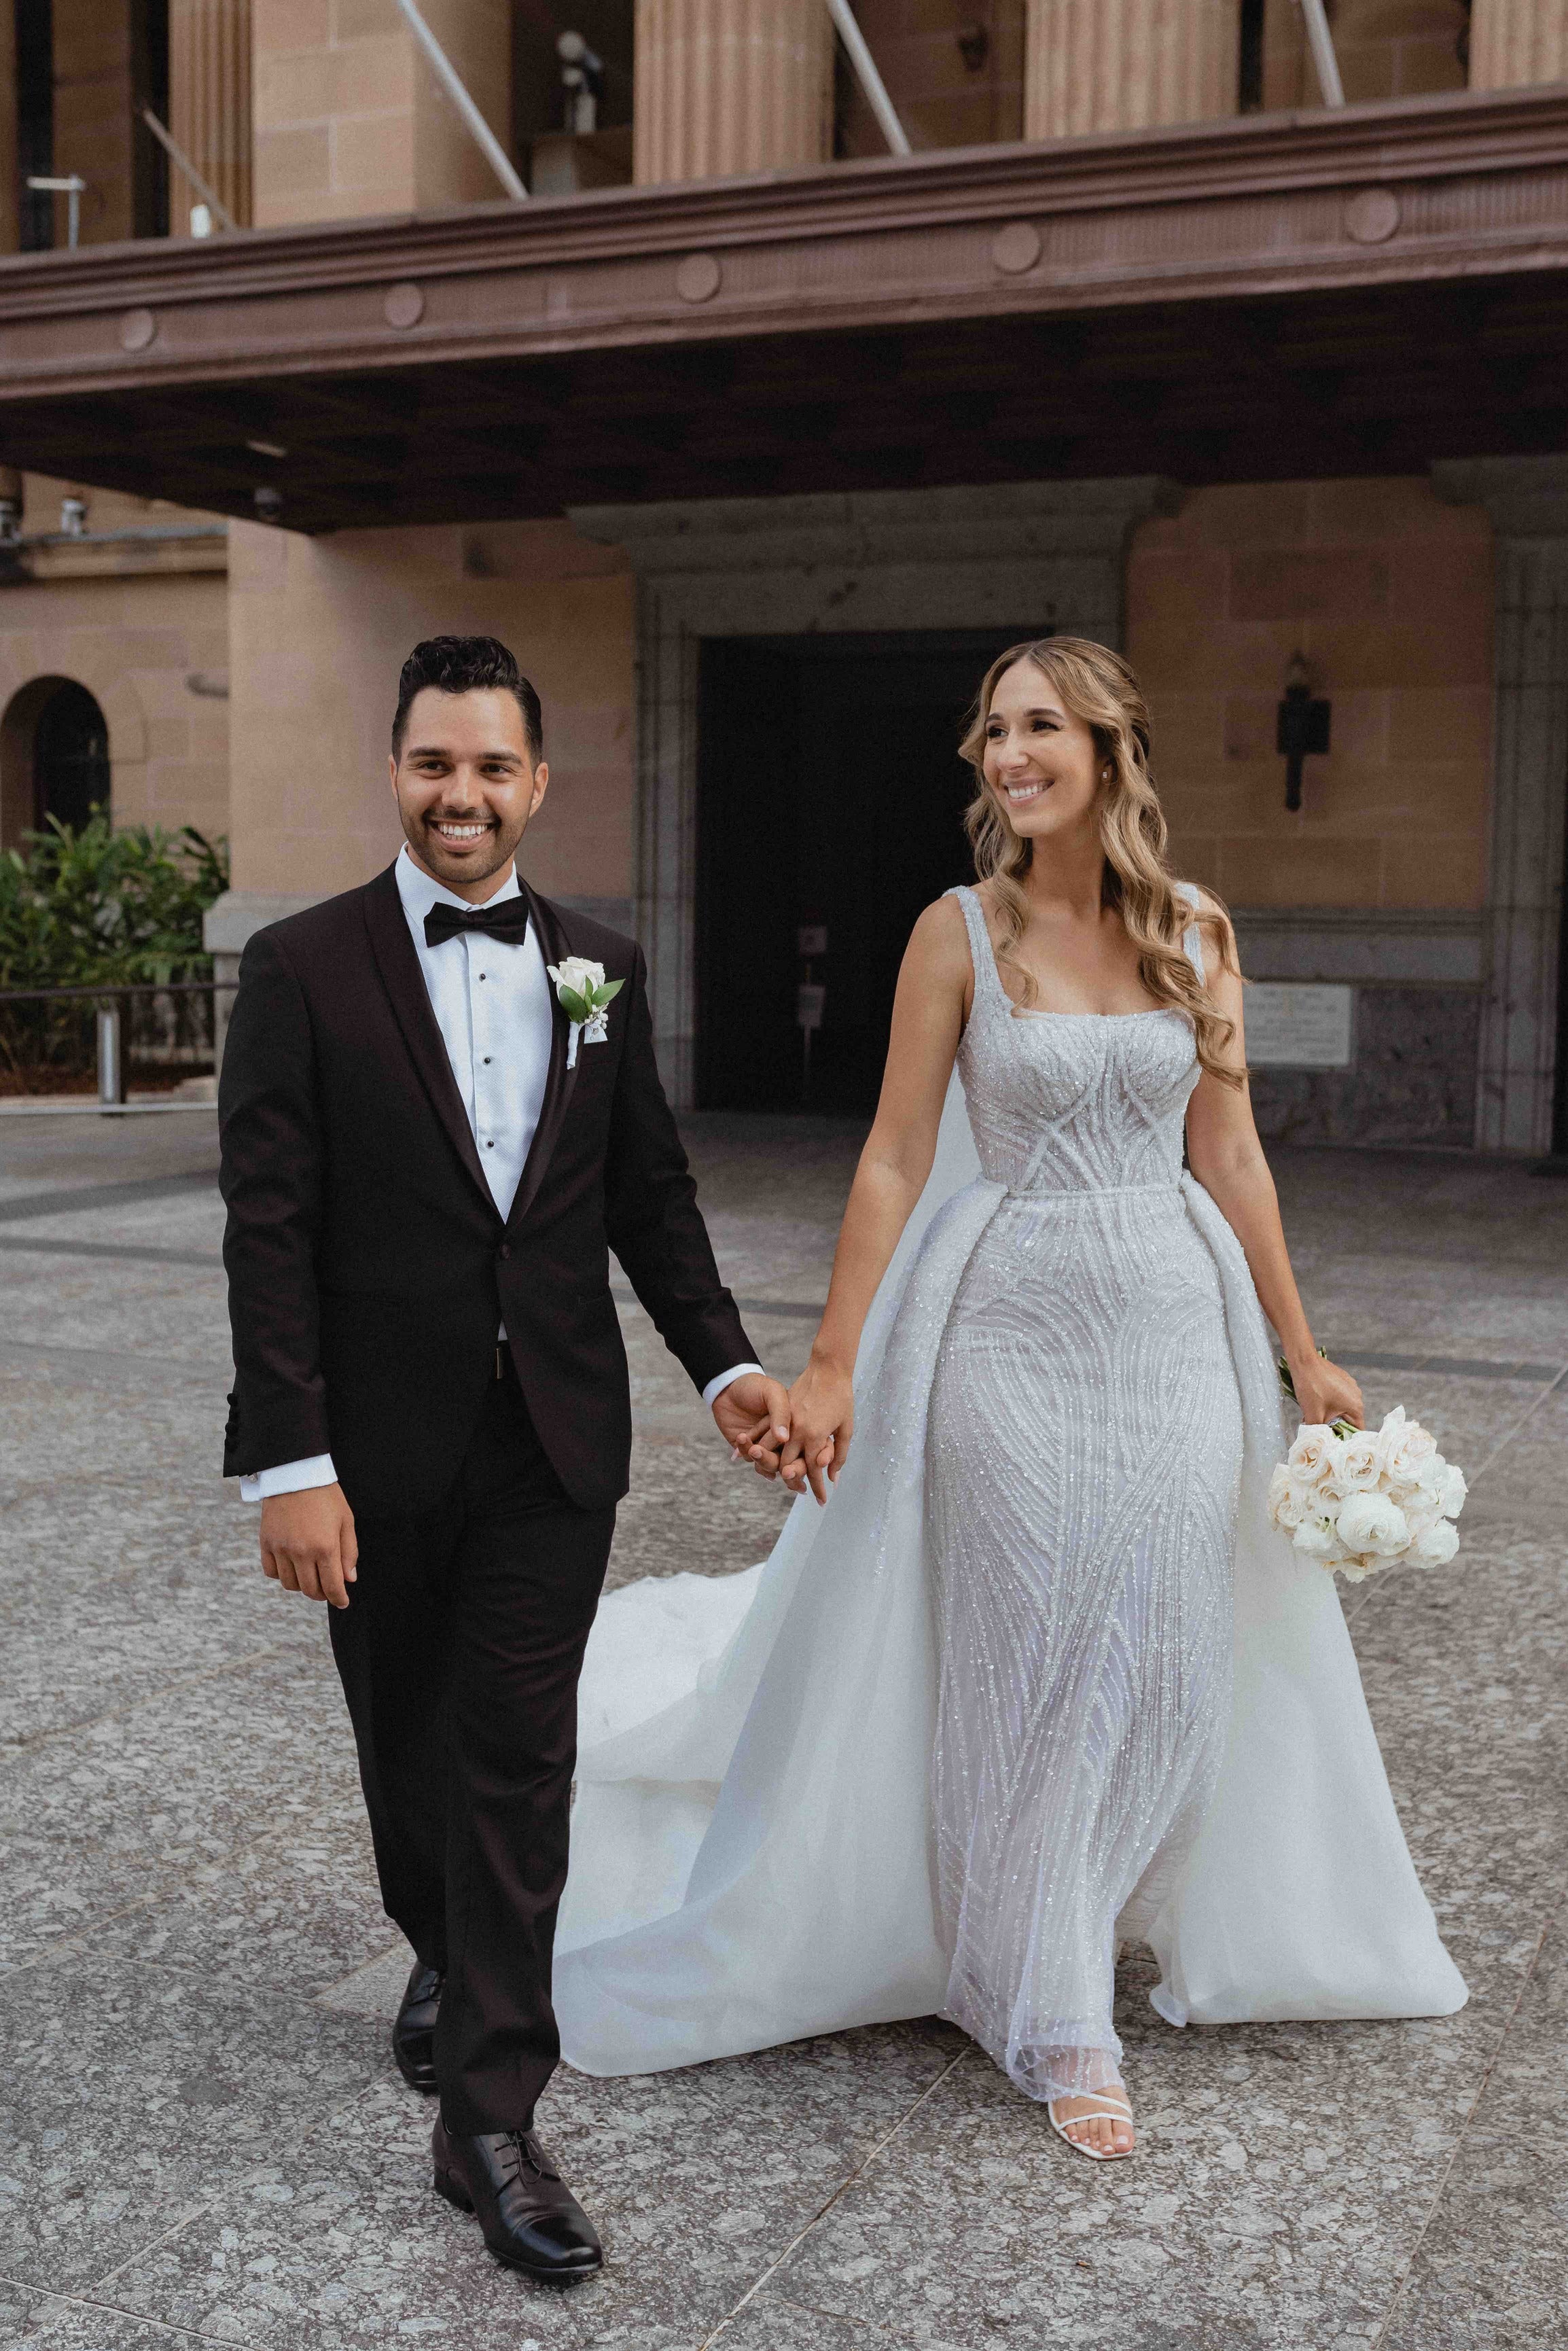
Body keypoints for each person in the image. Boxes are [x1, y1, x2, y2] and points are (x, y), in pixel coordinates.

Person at [553, 635, 1466, 2159]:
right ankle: (1043, 1997)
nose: (1006, 752)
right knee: (1033, 1637)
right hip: (1004, 1324)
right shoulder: (953, 933)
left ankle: (1076, 1902)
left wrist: (1302, 1350)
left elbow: (1228, 1152)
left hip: (1176, 1321)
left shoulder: (1193, 929)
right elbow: (897, 1156)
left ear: (1110, 748)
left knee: (1167, 1647)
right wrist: (832, 1361)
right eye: (991, 730)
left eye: (1039, 725)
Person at [219, 635, 789, 2280]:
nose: (458, 795)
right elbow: (270, 1231)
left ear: (537, 783)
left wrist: (727, 1364)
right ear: (392, 768)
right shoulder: (302, 966)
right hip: (371, 1447)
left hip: (553, 1433)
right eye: (430, 764)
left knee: (515, 1756)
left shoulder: (597, 965)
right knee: (406, 1743)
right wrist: (290, 1462)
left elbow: (646, 1201)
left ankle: (489, 2114)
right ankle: (445, 1947)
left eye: (489, 768)